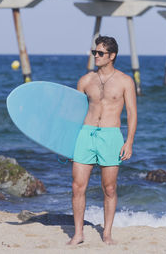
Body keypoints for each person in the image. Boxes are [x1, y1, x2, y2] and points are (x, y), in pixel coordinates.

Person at [67, 35, 137, 246]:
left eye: (100, 53)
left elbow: (132, 114)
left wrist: (129, 142)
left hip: (111, 135)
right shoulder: (85, 80)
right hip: (85, 135)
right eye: (94, 52)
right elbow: (74, 114)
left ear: (112, 56)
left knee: (110, 188)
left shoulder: (125, 81)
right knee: (78, 187)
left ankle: (106, 233)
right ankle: (78, 234)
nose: (96, 56)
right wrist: (68, 142)